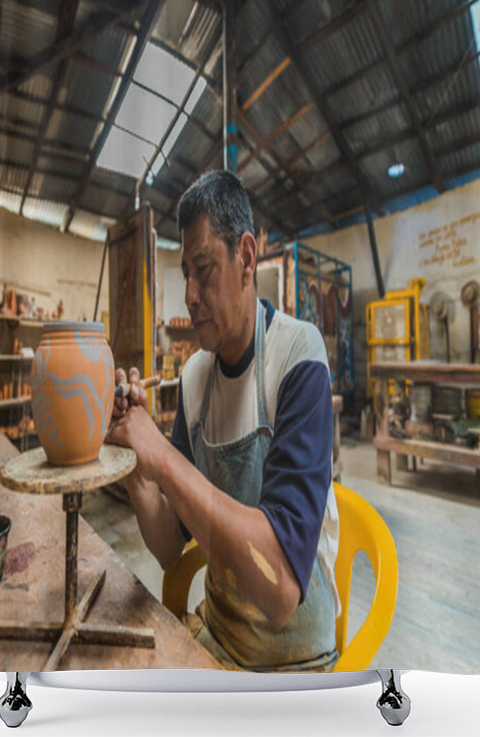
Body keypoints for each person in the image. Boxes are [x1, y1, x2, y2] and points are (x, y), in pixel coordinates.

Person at [106, 170, 340, 672]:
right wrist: (137, 468)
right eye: (185, 272)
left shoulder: (298, 357)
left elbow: (279, 593)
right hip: (216, 634)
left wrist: (164, 457)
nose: (189, 294)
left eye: (204, 270)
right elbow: (170, 547)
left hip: (294, 661)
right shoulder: (195, 377)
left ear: (247, 258)